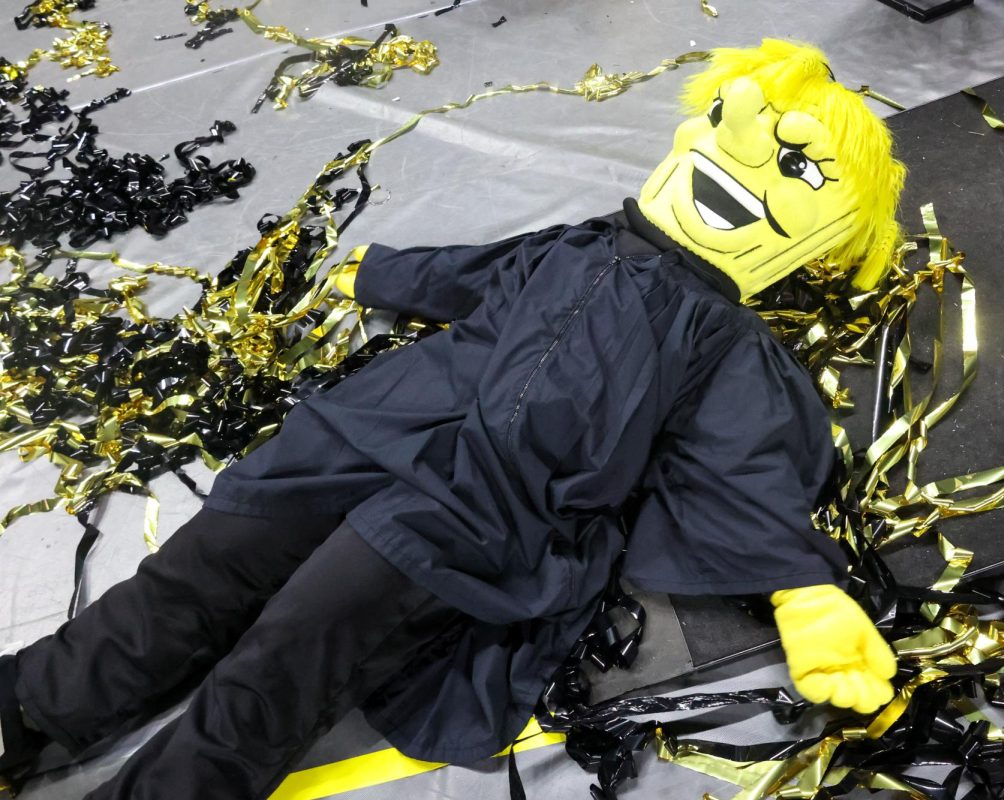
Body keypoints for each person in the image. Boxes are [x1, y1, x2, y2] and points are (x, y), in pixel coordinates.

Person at [0, 39, 905, 799]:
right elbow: (479, 276)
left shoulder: (729, 347)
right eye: (725, 119)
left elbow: (741, 463)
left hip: (476, 513)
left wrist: (806, 591)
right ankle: (29, 712)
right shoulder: (582, 240)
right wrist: (385, 272)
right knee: (198, 569)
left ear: (826, 232)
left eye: (794, 165)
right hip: (368, 430)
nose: (735, 145)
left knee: (292, 653)